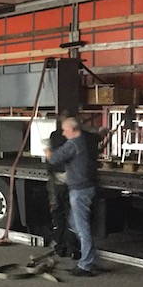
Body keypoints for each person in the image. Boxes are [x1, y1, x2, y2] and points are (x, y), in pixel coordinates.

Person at [45, 117, 99, 277]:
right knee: (74, 224)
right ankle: (89, 255)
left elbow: (54, 159)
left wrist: (48, 151)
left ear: (72, 129)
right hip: (86, 188)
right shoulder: (83, 140)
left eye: (64, 129)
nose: (63, 132)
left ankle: (86, 265)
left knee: (81, 229)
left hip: (79, 191)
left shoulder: (73, 144)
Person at [45, 120, 80, 259]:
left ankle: (60, 247)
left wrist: (48, 154)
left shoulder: (55, 137)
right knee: (71, 217)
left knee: (58, 216)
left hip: (57, 184)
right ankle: (73, 249)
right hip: (70, 183)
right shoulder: (73, 142)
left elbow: (52, 160)